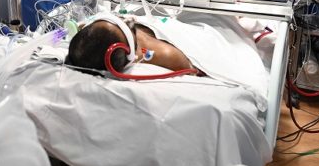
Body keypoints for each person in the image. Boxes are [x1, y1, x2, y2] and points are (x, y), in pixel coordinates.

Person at [66, 11, 270, 103]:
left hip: (175, 22)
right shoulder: (164, 54)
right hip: (207, 33)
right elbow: (192, 64)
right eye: (125, 24)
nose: (126, 20)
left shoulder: (105, 34)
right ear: (133, 55)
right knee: (223, 20)